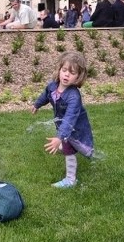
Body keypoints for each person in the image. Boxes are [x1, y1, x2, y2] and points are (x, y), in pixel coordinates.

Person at [30, 51, 98, 188]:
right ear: (59, 69)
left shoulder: (73, 96)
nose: (67, 74)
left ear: (78, 77)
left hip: (75, 128)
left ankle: (70, 180)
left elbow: (69, 118)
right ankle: (68, 146)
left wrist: (60, 137)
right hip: (64, 125)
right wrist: (37, 104)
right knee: (67, 146)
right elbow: (46, 95)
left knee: (69, 149)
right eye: (64, 70)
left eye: (72, 73)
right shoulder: (53, 86)